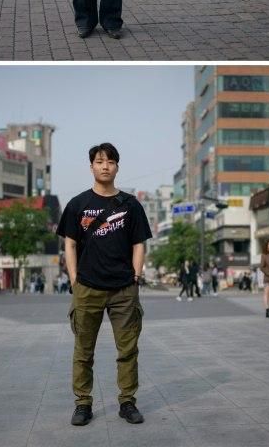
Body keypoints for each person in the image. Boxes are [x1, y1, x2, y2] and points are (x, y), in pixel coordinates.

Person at [56, 142, 152, 427]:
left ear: (117, 167)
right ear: (91, 167)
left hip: (124, 288)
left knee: (128, 349)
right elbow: (69, 245)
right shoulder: (77, 204)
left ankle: (127, 402)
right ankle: (83, 404)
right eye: (99, 161)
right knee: (83, 351)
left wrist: (135, 277)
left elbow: (139, 244)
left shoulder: (131, 205)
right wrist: (74, 280)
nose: (105, 166)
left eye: (110, 161)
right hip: (88, 288)